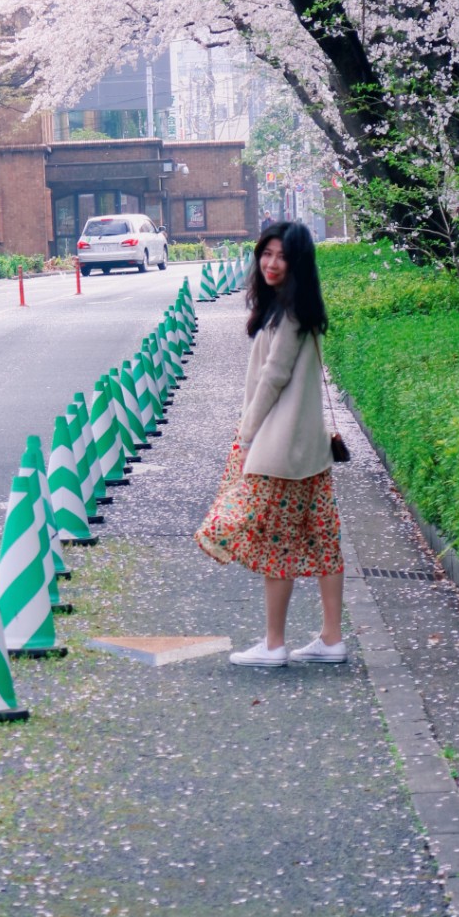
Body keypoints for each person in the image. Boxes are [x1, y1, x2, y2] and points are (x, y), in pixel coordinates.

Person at [196, 220, 345, 667]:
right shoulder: (299, 307)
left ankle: (275, 645)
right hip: (309, 449)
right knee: (323, 539)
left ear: (297, 262)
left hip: (278, 449)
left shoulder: (290, 312)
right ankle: (331, 638)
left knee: (276, 542)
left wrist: (246, 432)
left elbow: (272, 378)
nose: (271, 263)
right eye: (267, 254)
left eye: (282, 256)